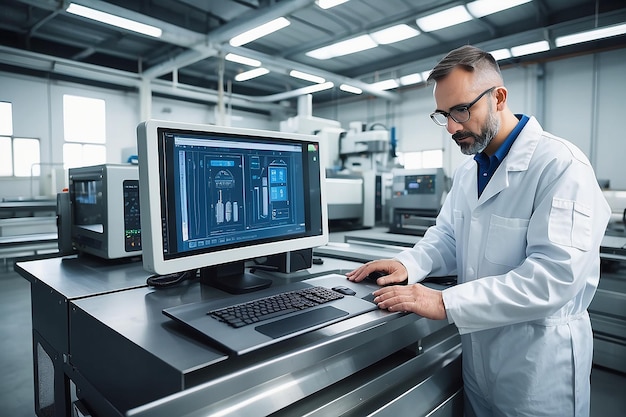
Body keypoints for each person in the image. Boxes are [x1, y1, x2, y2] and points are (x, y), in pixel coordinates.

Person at [346, 45, 611, 417]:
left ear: (499, 98)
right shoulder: (470, 170)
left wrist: (444, 302)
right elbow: (449, 236)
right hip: (479, 359)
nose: (452, 127)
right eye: (443, 114)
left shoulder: (560, 166)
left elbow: (553, 279)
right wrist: (408, 264)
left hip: (536, 369)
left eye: (460, 110)